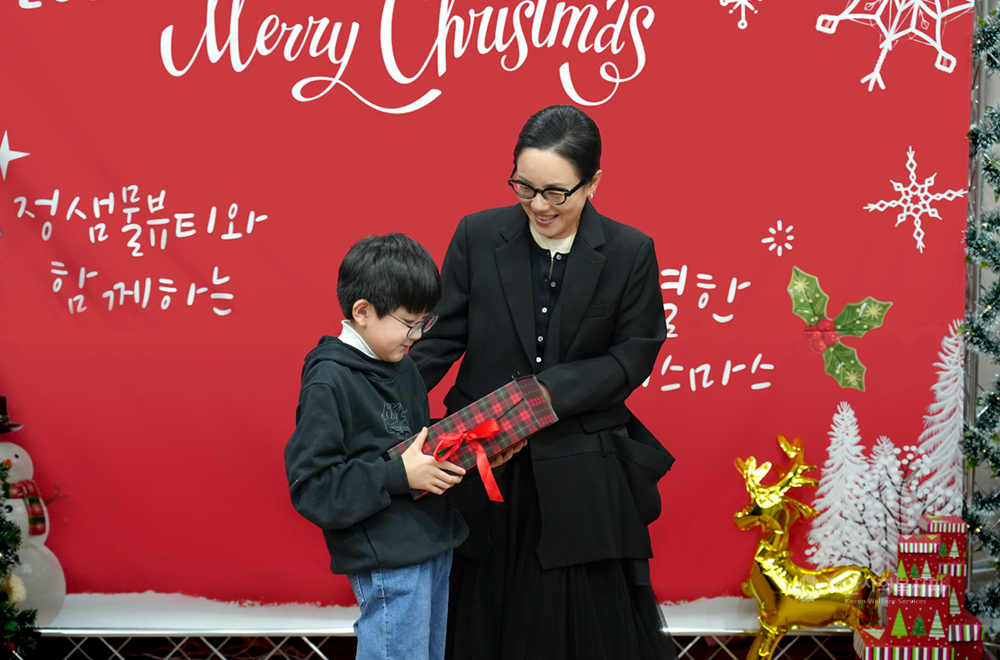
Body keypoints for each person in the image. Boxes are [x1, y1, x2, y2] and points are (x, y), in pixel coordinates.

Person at [409, 105, 676, 660]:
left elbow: (634, 355)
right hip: (482, 462)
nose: (538, 205)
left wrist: (552, 392)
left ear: (593, 183)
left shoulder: (630, 252)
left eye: (556, 192)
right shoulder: (477, 234)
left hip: (580, 471)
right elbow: (440, 339)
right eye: (524, 187)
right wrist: (380, 400)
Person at [284, 233, 470, 660]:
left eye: (425, 322)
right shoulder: (329, 380)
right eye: (408, 323)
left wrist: (468, 445)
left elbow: (408, 442)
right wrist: (397, 475)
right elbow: (313, 486)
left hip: (434, 543)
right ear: (363, 312)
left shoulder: (404, 368)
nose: (417, 336)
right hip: (389, 558)